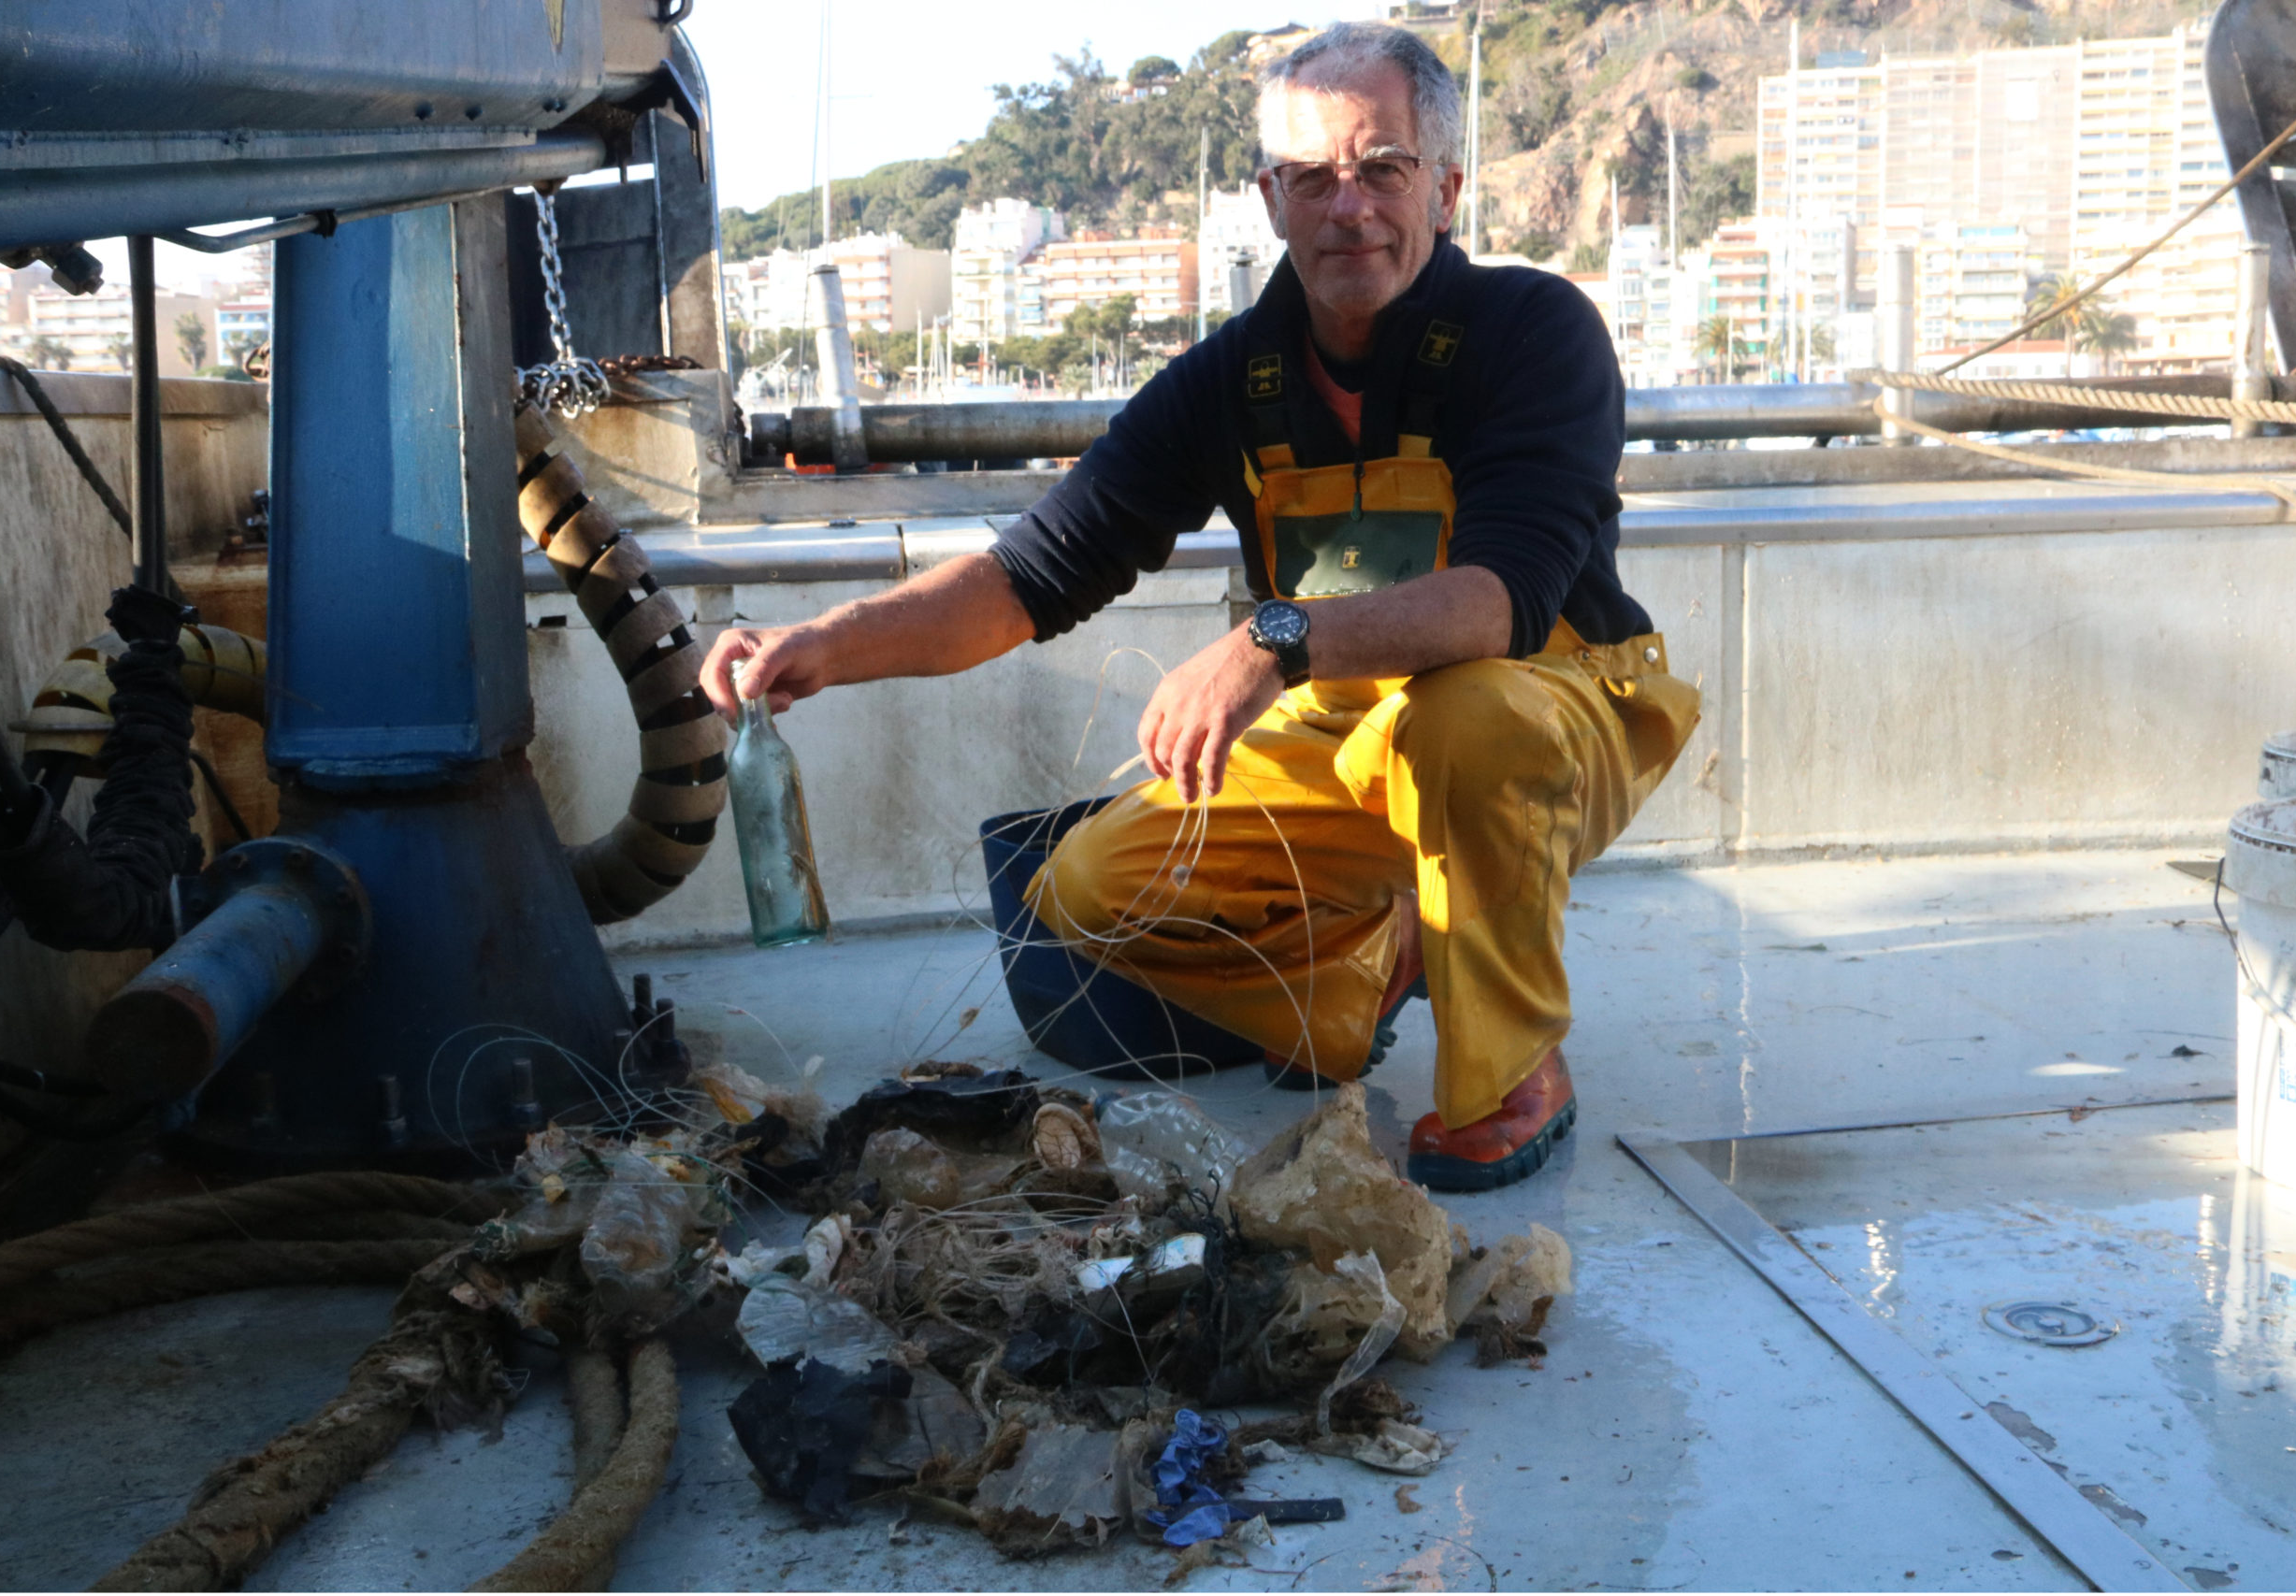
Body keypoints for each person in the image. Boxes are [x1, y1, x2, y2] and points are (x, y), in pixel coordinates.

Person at [701, 22, 1698, 1191]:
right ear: (1269, 201)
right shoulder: (1228, 382)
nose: (1350, 207)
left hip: (1556, 703)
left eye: (1381, 168)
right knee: (1084, 888)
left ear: (1445, 186)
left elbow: (1503, 603)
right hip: (1347, 725)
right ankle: (1365, 973)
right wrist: (822, 646)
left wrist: (1275, 637)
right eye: (1312, 178)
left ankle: (1511, 1072)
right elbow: (1033, 574)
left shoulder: (1536, 334)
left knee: (1464, 722)